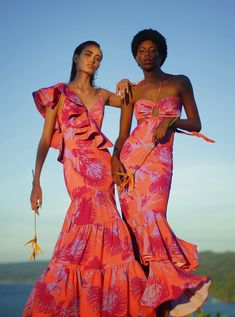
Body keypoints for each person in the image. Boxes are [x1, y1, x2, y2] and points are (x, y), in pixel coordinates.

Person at [23, 41, 156, 317]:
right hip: (78, 171)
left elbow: (134, 98)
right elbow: (46, 139)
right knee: (81, 230)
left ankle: (106, 306)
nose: (93, 61)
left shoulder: (102, 94)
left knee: (112, 233)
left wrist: (127, 83)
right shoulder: (58, 94)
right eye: (88, 55)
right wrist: (36, 181)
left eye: (98, 58)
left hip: (103, 167)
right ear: (76, 57)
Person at [112, 29, 212, 317]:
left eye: (152, 49)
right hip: (130, 164)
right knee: (134, 232)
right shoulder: (131, 90)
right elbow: (121, 135)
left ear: (161, 53)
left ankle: (164, 298)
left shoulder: (180, 82)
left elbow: (196, 123)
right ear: (135, 56)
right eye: (141, 50)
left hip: (159, 163)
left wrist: (170, 121)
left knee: (153, 218)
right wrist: (114, 161)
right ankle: (145, 305)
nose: (146, 54)